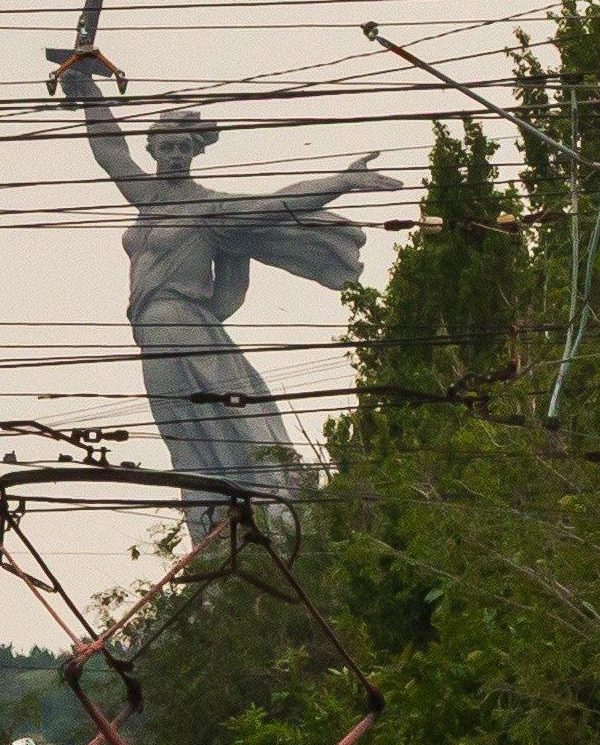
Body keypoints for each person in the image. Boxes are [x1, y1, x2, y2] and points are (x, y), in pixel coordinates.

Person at [63, 66, 385, 527]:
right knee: (184, 435)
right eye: (166, 147)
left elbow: (277, 204)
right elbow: (109, 149)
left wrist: (343, 181)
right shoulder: (147, 198)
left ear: (194, 154)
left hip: (187, 326)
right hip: (153, 334)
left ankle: (273, 514)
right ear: (152, 150)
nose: (174, 155)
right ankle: (212, 527)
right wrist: (88, 88)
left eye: (183, 148)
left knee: (232, 421)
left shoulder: (209, 205)